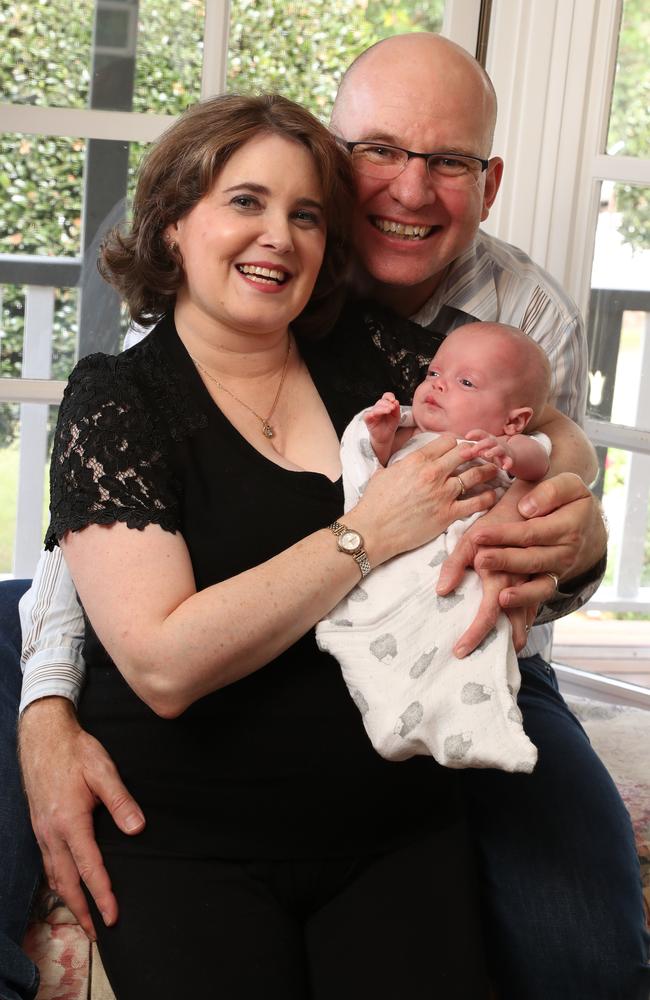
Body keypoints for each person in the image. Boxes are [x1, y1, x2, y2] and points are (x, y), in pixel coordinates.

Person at [3, 29, 647, 1000]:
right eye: (379, 152)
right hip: (200, 791)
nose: (408, 187)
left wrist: (574, 506)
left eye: (447, 161)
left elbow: (543, 441)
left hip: (425, 728)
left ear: (488, 180)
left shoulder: (449, 331)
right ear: (178, 222)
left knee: (585, 954)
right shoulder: (167, 349)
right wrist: (45, 703)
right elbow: (108, 579)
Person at [29, 91, 496, 998]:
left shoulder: (375, 356)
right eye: (245, 201)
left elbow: (536, 421)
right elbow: (162, 663)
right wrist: (366, 532)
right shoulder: (119, 400)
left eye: (306, 214)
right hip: (194, 844)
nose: (278, 235)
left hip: (397, 829)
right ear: (171, 224)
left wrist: (569, 483)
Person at [317, 323, 551, 773]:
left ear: (514, 419)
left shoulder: (502, 444)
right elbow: (372, 482)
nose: (438, 383)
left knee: (462, 638)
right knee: (389, 642)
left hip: (459, 566)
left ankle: (478, 729)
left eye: (466, 382)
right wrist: (382, 439)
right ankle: (393, 715)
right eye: (435, 371)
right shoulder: (410, 433)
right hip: (399, 561)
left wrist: (506, 450)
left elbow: (541, 458)